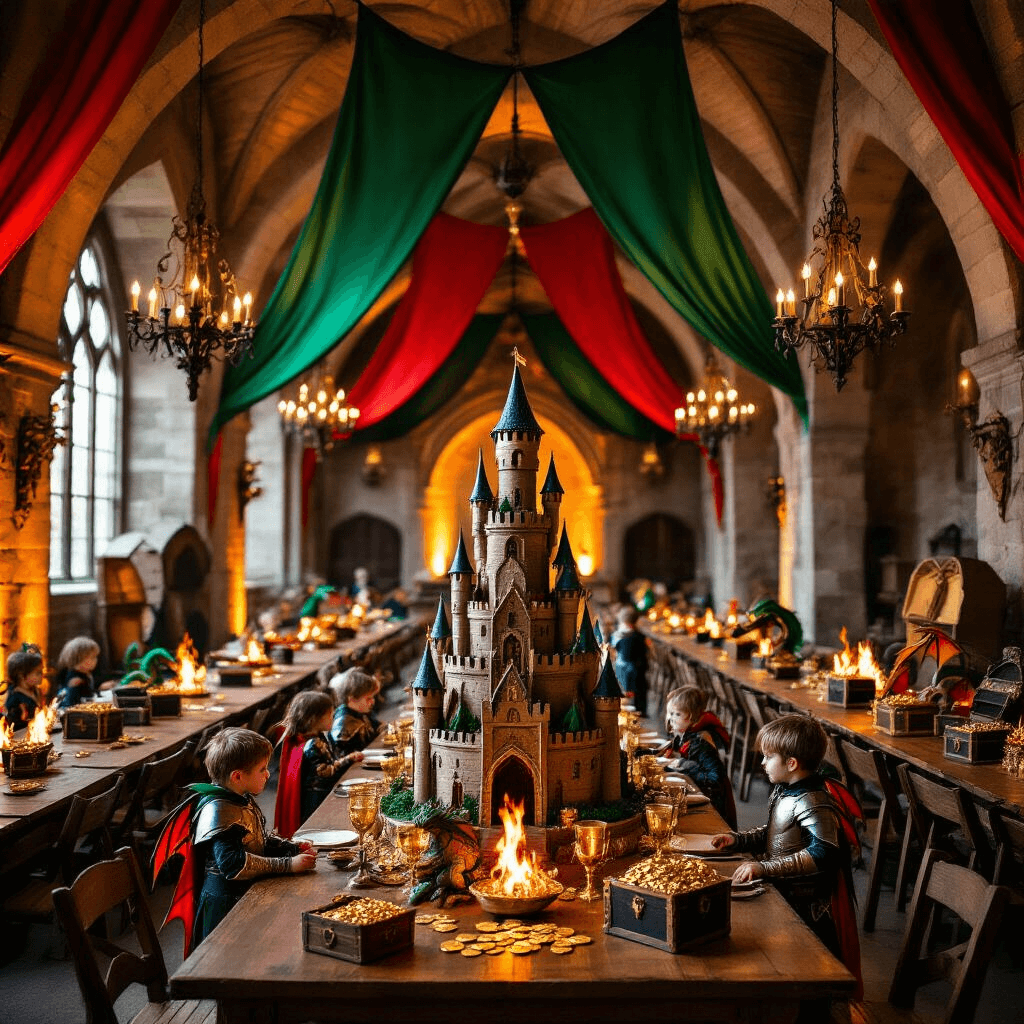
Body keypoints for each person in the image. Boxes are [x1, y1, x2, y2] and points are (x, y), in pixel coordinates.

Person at [711, 715, 862, 999]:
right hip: (785, 891)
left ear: (791, 763)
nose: (762, 763)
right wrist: (738, 840)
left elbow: (824, 853)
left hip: (805, 906)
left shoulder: (811, 799)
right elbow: (774, 832)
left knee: (804, 982)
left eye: (768, 757)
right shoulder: (787, 790)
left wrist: (765, 868)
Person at [152, 727, 316, 955]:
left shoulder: (240, 797)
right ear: (237, 776)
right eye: (262, 769)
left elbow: (257, 837)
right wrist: (288, 864)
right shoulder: (219, 809)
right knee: (227, 959)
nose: (268, 775)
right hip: (224, 905)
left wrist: (291, 847)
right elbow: (233, 864)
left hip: (244, 893)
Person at [274, 690, 364, 838]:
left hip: (318, 794)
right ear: (315, 719)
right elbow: (325, 772)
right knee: (317, 831)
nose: (333, 717)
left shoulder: (317, 737)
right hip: (315, 799)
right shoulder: (312, 743)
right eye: (330, 714)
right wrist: (348, 759)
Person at [662, 686, 736, 827]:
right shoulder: (687, 734)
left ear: (691, 717)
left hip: (714, 802)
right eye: (669, 713)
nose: (670, 718)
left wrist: (685, 765)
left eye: (676, 714)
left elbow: (715, 779)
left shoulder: (699, 742)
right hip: (701, 791)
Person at [329, 668, 381, 755]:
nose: (373, 701)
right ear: (351, 698)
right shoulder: (343, 725)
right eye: (368, 698)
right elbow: (344, 756)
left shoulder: (360, 712)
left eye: (373, 697)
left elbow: (377, 727)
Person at [610, 606, 650, 716]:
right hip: (636, 669)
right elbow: (644, 652)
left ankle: (626, 712)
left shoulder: (617, 635)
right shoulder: (638, 636)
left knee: (625, 695)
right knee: (639, 692)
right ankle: (640, 711)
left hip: (621, 668)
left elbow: (614, 650)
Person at [3, 645, 45, 730]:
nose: (42, 675)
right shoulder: (15, 697)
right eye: (38, 673)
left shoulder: (35, 691)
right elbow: (13, 723)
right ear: (21, 676)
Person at [55, 636, 101, 708]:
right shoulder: (75, 679)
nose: (96, 660)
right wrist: (71, 689)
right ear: (80, 658)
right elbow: (66, 703)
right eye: (93, 657)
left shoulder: (86, 674)